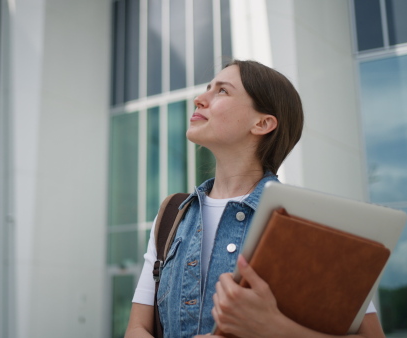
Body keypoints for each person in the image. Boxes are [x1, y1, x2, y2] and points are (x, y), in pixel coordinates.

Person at [125, 60, 385, 338]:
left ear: (262, 123)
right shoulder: (172, 215)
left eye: (222, 91)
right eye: (207, 89)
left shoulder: (308, 224)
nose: (199, 100)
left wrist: (272, 327)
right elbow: (137, 329)